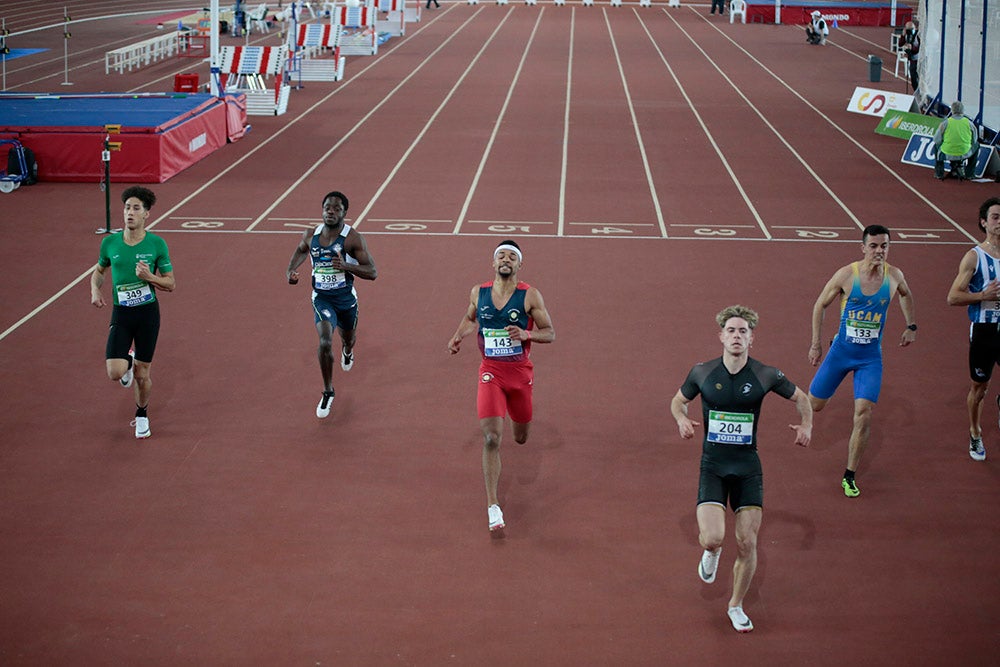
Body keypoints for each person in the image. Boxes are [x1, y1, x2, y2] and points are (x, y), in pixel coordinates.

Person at [671, 305, 812, 634]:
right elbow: (678, 401)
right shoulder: (702, 372)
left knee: (747, 542)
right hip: (713, 466)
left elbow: (802, 398)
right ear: (721, 336)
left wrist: (807, 425)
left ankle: (735, 605)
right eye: (731, 330)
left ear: (752, 339)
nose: (737, 336)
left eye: (743, 331)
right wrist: (680, 418)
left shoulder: (766, 375)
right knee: (712, 537)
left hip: (748, 465)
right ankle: (713, 551)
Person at [447, 240, 555, 534]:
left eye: (512, 256)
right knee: (492, 438)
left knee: (520, 438)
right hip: (491, 372)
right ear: (493, 264)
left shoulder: (529, 295)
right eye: (500, 256)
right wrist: (458, 336)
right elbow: (471, 319)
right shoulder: (478, 292)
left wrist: (526, 334)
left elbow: (550, 332)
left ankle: (512, 418)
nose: (505, 259)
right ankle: (493, 505)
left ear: (520, 265)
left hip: (520, 376)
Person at [807, 225, 917, 497]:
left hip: (870, 358)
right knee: (814, 406)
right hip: (841, 352)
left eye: (884, 246)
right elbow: (820, 304)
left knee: (864, 415)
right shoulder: (847, 275)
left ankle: (850, 474)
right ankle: (833, 356)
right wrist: (816, 344)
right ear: (863, 247)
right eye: (874, 246)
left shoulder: (894, 276)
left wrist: (911, 326)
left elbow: (906, 294)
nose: (879, 251)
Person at [90, 187, 175, 439]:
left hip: (148, 315)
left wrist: (149, 277)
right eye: (127, 207)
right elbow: (99, 271)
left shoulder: (156, 244)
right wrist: (95, 290)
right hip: (122, 313)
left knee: (143, 374)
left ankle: (141, 414)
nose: (130, 213)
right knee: (115, 372)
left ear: (146, 214)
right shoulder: (110, 243)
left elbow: (171, 283)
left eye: (136, 208)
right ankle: (127, 360)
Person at [286, 191, 377, 419]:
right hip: (322, 298)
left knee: (348, 338)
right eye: (328, 207)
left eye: (337, 208)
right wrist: (291, 270)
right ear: (322, 209)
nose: (331, 211)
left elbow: (372, 272)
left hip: (345, 300)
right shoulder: (310, 235)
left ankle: (348, 350)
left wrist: (347, 266)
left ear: (344, 213)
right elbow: (300, 251)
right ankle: (328, 391)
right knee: (325, 342)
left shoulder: (353, 238)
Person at [946, 197, 1000, 462]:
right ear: (984, 222)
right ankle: (975, 432)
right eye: (995, 217)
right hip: (984, 331)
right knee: (979, 387)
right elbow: (953, 297)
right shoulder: (974, 257)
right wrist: (983, 295)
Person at [933, 100, 979, 181]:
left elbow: (936, 140)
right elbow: (974, 140)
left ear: (952, 110)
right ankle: (970, 174)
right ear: (963, 111)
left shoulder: (945, 123)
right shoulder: (969, 123)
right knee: (977, 145)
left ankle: (939, 173)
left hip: (947, 152)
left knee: (936, 146)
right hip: (965, 152)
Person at [899, 20, 920, 92]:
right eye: (907, 29)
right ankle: (916, 92)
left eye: (911, 29)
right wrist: (903, 35)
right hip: (912, 59)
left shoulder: (918, 35)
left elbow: (921, 48)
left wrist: (912, 48)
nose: (909, 31)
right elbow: (900, 44)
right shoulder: (907, 34)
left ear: (915, 28)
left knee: (919, 79)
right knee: (913, 79)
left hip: (920, 60)